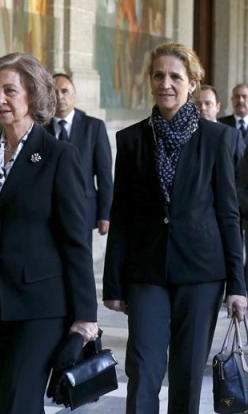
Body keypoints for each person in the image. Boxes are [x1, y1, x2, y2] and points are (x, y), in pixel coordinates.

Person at [103, 43, 247, 414]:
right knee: (143, 368)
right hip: (146, 271)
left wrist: (238, 285)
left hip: (202, 273)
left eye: (175, 76)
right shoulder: (131, 140)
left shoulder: (218, 139)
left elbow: (229, 214)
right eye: (158, 75)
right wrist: (114, 284)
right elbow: (122, 215)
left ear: (192, 84)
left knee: (186, 372)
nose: (165, 83)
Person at [0, 52, 98, 414]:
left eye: (10, 91)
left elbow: (76, 239)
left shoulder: (57, 155)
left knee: (15, 403)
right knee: (12, 400)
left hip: (42, 306)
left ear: (32, 95)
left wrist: (85, 316)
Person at [45, 73, 113, 248]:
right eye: (54, 92)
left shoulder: (94, 127)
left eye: (64, 91)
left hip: (83, 209)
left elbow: (104, 174)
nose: (59, 96)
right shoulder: (41, 130)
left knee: (80, 265)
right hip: (47, 211)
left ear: (74, 96)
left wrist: (104, 214)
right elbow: (35, 161)